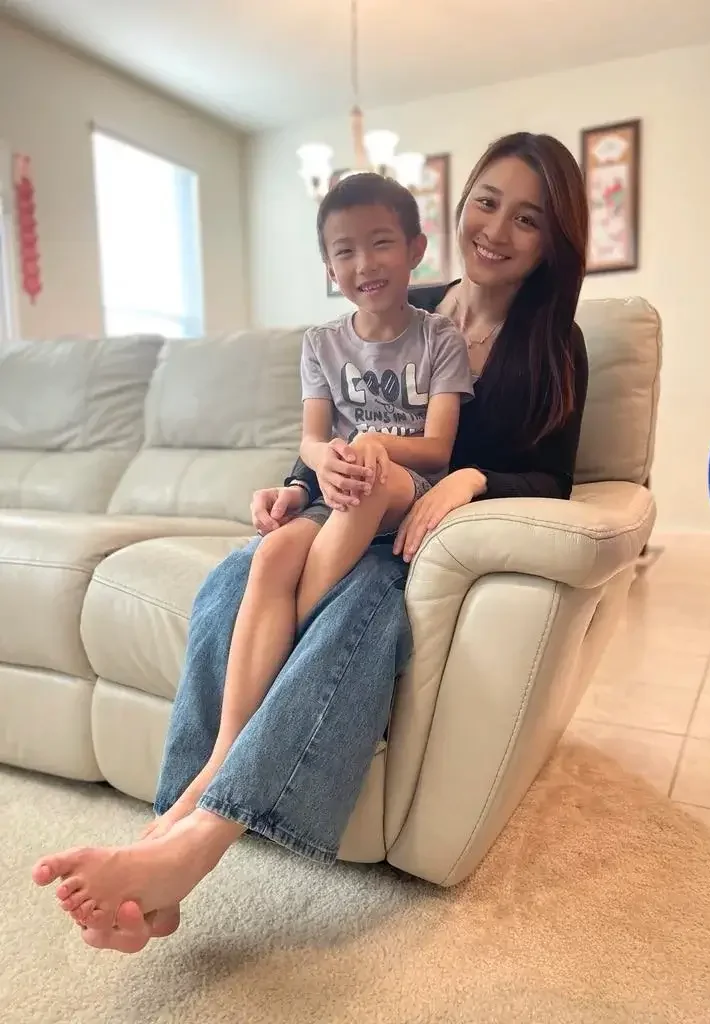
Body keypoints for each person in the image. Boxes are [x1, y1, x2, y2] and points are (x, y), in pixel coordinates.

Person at [32, 131, 590, 953]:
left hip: (411, 545)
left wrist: (472, 478)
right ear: (462, 202)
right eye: (487, 202)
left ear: (553, 243)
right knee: (235, 581)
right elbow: (335, 433)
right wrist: (295, 486)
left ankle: (192, 846)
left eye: (528, 219)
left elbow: (555, 481)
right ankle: (166, 836)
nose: (497, 230)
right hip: (335, 512)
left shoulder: (554, 344)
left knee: (357, 616)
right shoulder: (405, 301)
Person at [141, 173, 472, 839]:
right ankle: (222, 756)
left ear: (416, 249)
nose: (364, 263)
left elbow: (438, 447)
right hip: (337, 492)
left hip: (405, 492)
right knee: (271, 556)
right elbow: (312, 440)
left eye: (381, 243)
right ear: (328, 267)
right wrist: (319, 466)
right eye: (344, 251)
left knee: (371, 477)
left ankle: (252, 713)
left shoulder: (440, 338)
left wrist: (372, 444)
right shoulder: (321, 343)